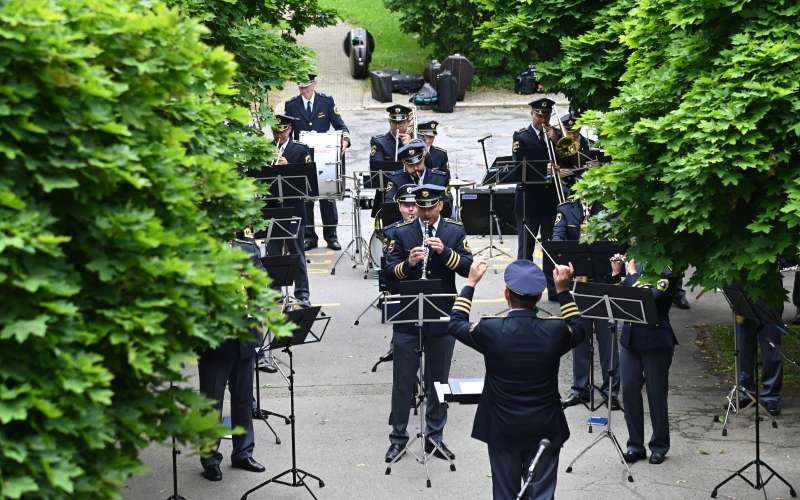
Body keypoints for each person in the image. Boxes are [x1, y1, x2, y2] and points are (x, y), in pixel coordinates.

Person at [448, 257, 586, 500]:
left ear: (506, 295)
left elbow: (456, 323)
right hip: (545, 425)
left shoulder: (491, 330)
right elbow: (578, 328)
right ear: (539, 297)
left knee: (504, 493)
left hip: (502, 426)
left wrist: (470, 282)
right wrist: (563, 290)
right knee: (542, 495)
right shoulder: (554, 331)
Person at [383, 184, 473, 464]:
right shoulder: (400, 232)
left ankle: (435, 436)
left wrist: (445, 252)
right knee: (403, 381)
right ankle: (398, 438)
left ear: (440, 207)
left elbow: (469, 268)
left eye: (428, 208)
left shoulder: (454, 231)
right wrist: (408, 263)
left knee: (439, 380)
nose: (422, 213)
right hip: (408, 315)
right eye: (419, 208)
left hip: (442, 314)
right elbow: (388, 275)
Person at [198, 236, 267, 481]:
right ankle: (209, 458)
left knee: (243, 399)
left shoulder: (247, 248)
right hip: (216, 339)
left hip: (244, 336)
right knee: (211, 402)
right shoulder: (200, 249)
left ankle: (243, 452)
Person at [552, 199, 620, 409]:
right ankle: (580, 389)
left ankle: (611, 390)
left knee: (608, 339)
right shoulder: (565, 209)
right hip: (578, 285)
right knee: (579, 338)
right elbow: (557, 238)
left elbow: (617, 242)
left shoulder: (609, 209)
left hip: (602, 284)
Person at [611, 257, 678, 465]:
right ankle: (635, 445)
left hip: (656, 338)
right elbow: (615, 296)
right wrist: (616, 273)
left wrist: (630, 274)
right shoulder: (635, 262)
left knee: (656, 393)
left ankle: (659, 445)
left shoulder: (668, 266)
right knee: (629, 390)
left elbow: (650, 296)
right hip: (630, 338)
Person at [284, 73, 350, 252]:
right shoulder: (291, 105)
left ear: (314, 84)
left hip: (324, 155)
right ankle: (309, 237)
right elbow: (287, 131)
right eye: (300, 87)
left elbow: (340, 126)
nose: (303, 90)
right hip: (302, 158)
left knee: (327, 197)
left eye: (306, 86)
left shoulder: (326, 102)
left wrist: (344, 140)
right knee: (306, 199)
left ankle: (331, 236)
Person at [512, 97, 562, 299]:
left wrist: (556, 141)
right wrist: (543, 168)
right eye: (539, 115)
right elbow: (518, 165)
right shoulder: (521, 136)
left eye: (546, 115)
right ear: (532, 114)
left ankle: (553, 291)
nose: (543, 118)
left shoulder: (556, 135)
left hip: (549, 200)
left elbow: (567, 156)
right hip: (528, 199)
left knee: (550, 247)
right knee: (526, 249)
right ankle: (523, 292)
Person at [267, 114, 311, 307]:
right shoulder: (266, 149)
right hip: (273, 208)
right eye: (276, 131)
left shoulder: (301, 149)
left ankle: (302, 294)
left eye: (283, 131)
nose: (279, 135)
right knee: (273, 253)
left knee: (297, 252)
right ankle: (275, 292)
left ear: (290, 129)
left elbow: (309, 181)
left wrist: (289, 167)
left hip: (294, 208)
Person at [734, 281, 784, 416]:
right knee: (743, 344)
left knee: (771, 346)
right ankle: (746, 392)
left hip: (768, 287)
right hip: (742, 286)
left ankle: (771, 395)